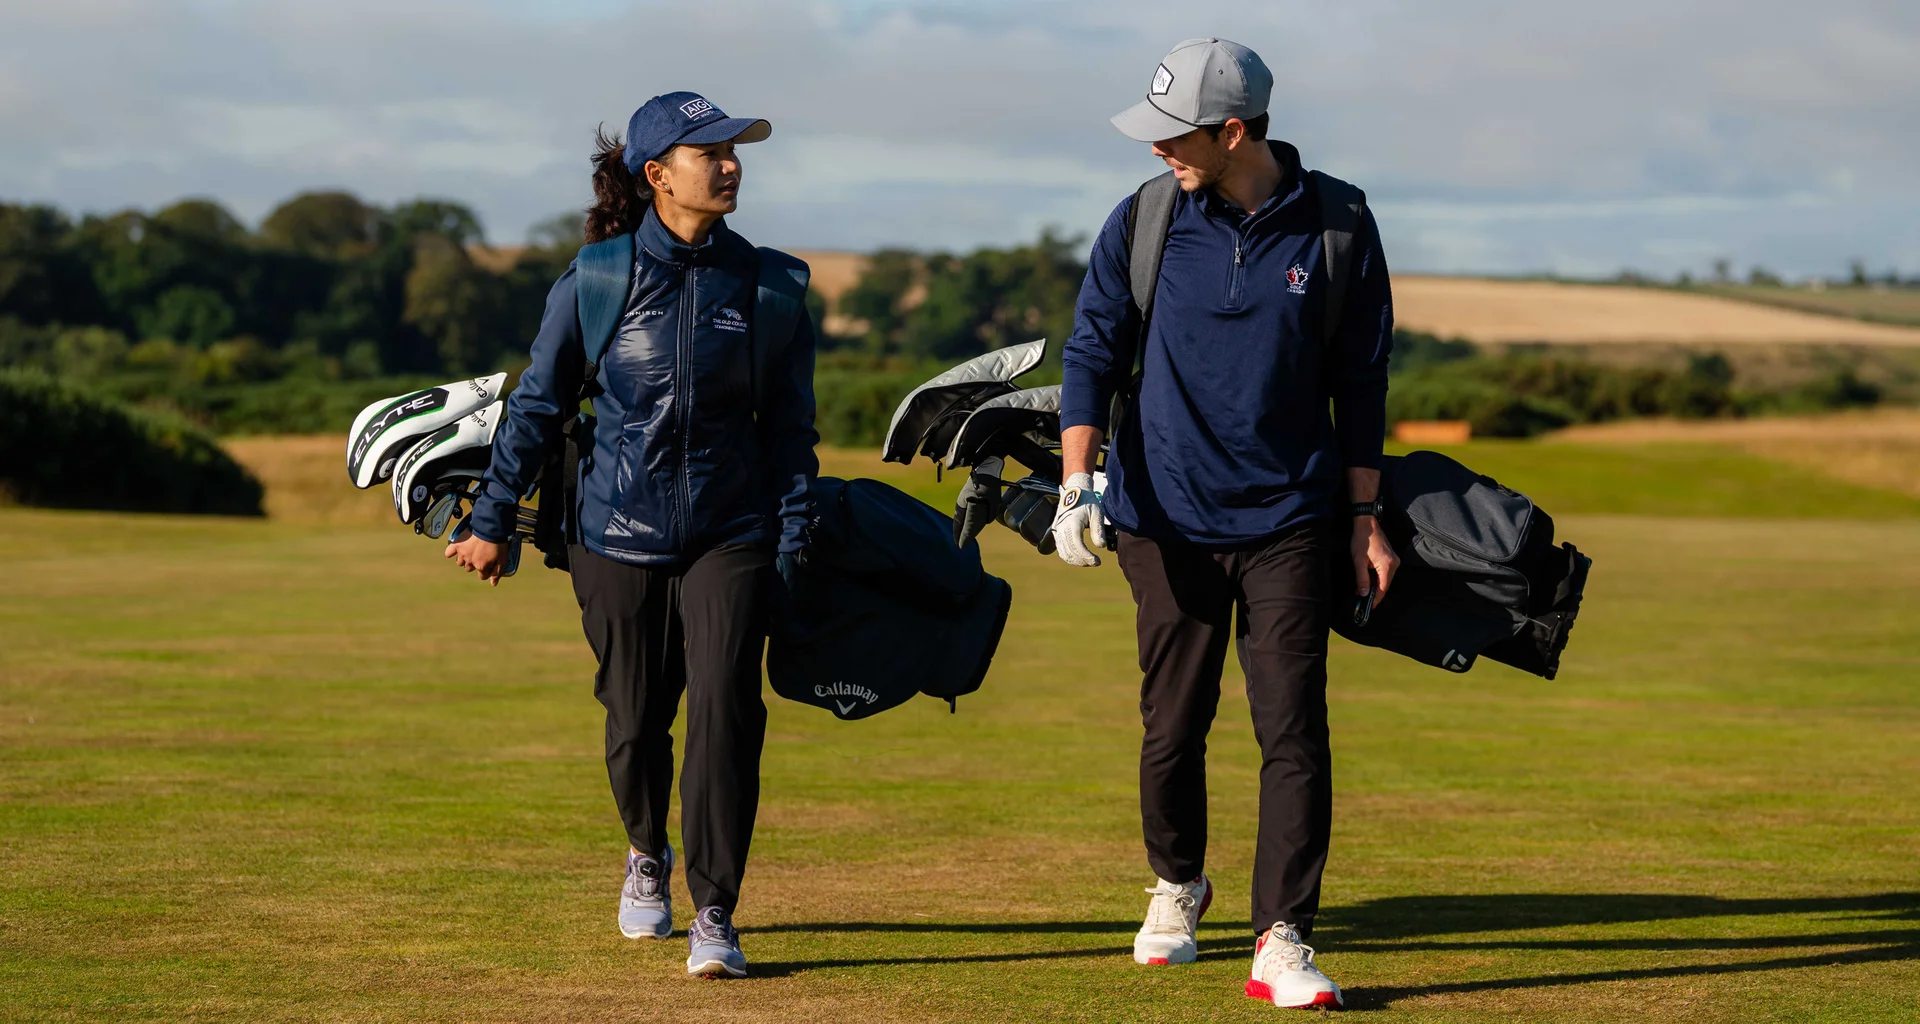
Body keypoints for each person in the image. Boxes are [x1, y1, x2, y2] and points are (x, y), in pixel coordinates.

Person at [1054, 39, 1398, 1011]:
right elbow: (1092, 353)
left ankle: (1282, 935)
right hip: (1162, 518)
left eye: (1175, 132)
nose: (1159, 148)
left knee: (1293, 727)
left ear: (1234, 130)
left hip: (1290, 514)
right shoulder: (1149, 216)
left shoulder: (1337, 223)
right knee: (1172, 726)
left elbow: (1361, 383)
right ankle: (1178, 881)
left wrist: (1364, 519)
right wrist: (1078, 483)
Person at [444, 92, 818, 980]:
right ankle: (646, 852)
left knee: (728, 711)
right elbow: (536, 408)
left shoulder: (771, 287)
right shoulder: (597, 279)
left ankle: (716, 910)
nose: (729, 165)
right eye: (709, 152)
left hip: (733, 532)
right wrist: (492, 521)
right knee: (636, 717)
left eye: (735, 152)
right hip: (614, 531)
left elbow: (791, 433)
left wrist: (793, 540)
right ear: (658, 175)